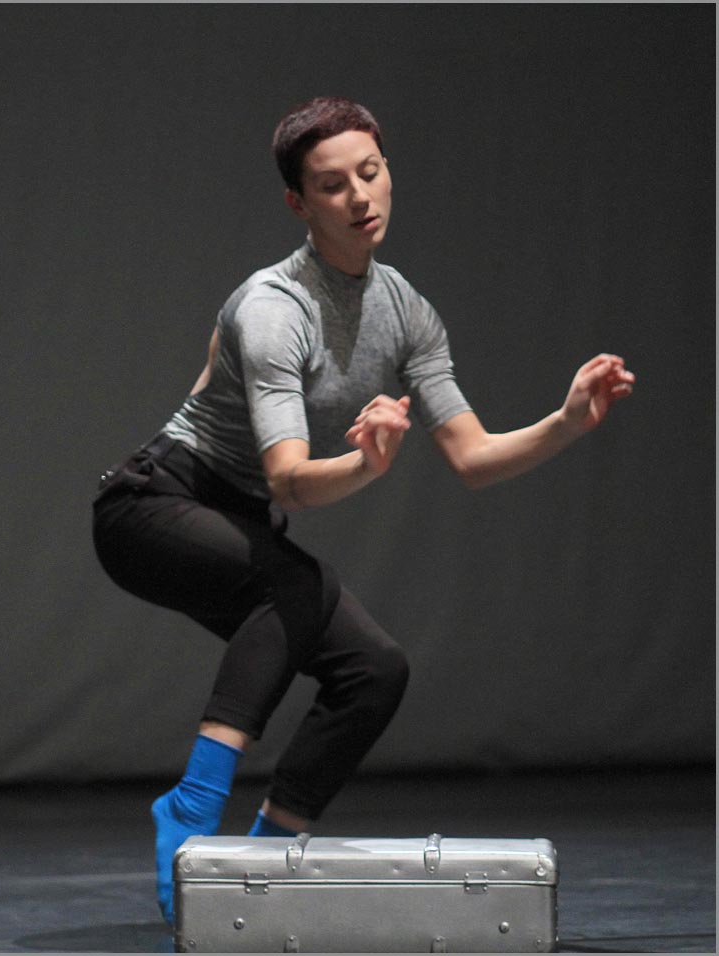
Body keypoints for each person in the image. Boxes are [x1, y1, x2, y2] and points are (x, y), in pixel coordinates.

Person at [92, 96, 635, 925]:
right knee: (296, 586)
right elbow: (288, 481)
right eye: (332, 184)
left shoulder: (405, 310)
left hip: (239, 520)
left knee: (374, 672)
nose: (359, 196)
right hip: (151, 506)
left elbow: (473, 458)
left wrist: (564, 424)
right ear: (299, 204)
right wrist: (365, 463)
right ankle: (192, 806)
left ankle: (266, 859)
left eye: (371, 173)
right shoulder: (273, 308)